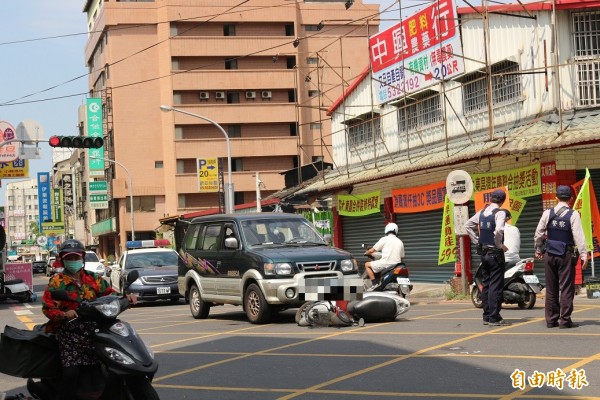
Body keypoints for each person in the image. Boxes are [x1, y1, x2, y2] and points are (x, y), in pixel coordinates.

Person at [42, 239, 137, 400]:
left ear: (83, 258)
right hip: (70, 332)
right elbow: (48, 307)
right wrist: (64, 314)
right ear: (63, 260)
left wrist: (126, 298)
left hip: (97, 328)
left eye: (76, 258)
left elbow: (109, 294)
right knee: (71, 372)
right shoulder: (57, 282)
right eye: (69, 258)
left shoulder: (93, 278)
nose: (73, 261)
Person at [534, 185, 588, 329]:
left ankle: (551, 320)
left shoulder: (547, 213)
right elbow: (579, 237)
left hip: (549, 254)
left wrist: (538, 249)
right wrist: (584, 255)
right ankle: (565, 321)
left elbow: (538, 233)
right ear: (571, 199)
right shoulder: (573, 214)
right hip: (566, 255)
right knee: (566, 288)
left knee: (551, 288)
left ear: (556, 197)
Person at [464, 189, 511, 327]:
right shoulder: (500, 213)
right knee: (495, 286)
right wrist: (499, 245)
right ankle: (494, 317)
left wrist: (477, 241)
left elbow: (468, 225)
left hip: (484, 254)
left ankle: (486, 316)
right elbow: (499, 230)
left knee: (487, 284)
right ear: (502, 201)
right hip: (495, 254)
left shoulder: (482, 212)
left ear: (491, 199)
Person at [363, 222, 404, 291]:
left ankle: (374, 284)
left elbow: (372, 250)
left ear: (387, 230)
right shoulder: (400, 241)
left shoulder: (384, 239)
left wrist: (367, 252)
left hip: (386, 263)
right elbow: (402, 257)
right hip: (397, 265)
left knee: (367, 264)